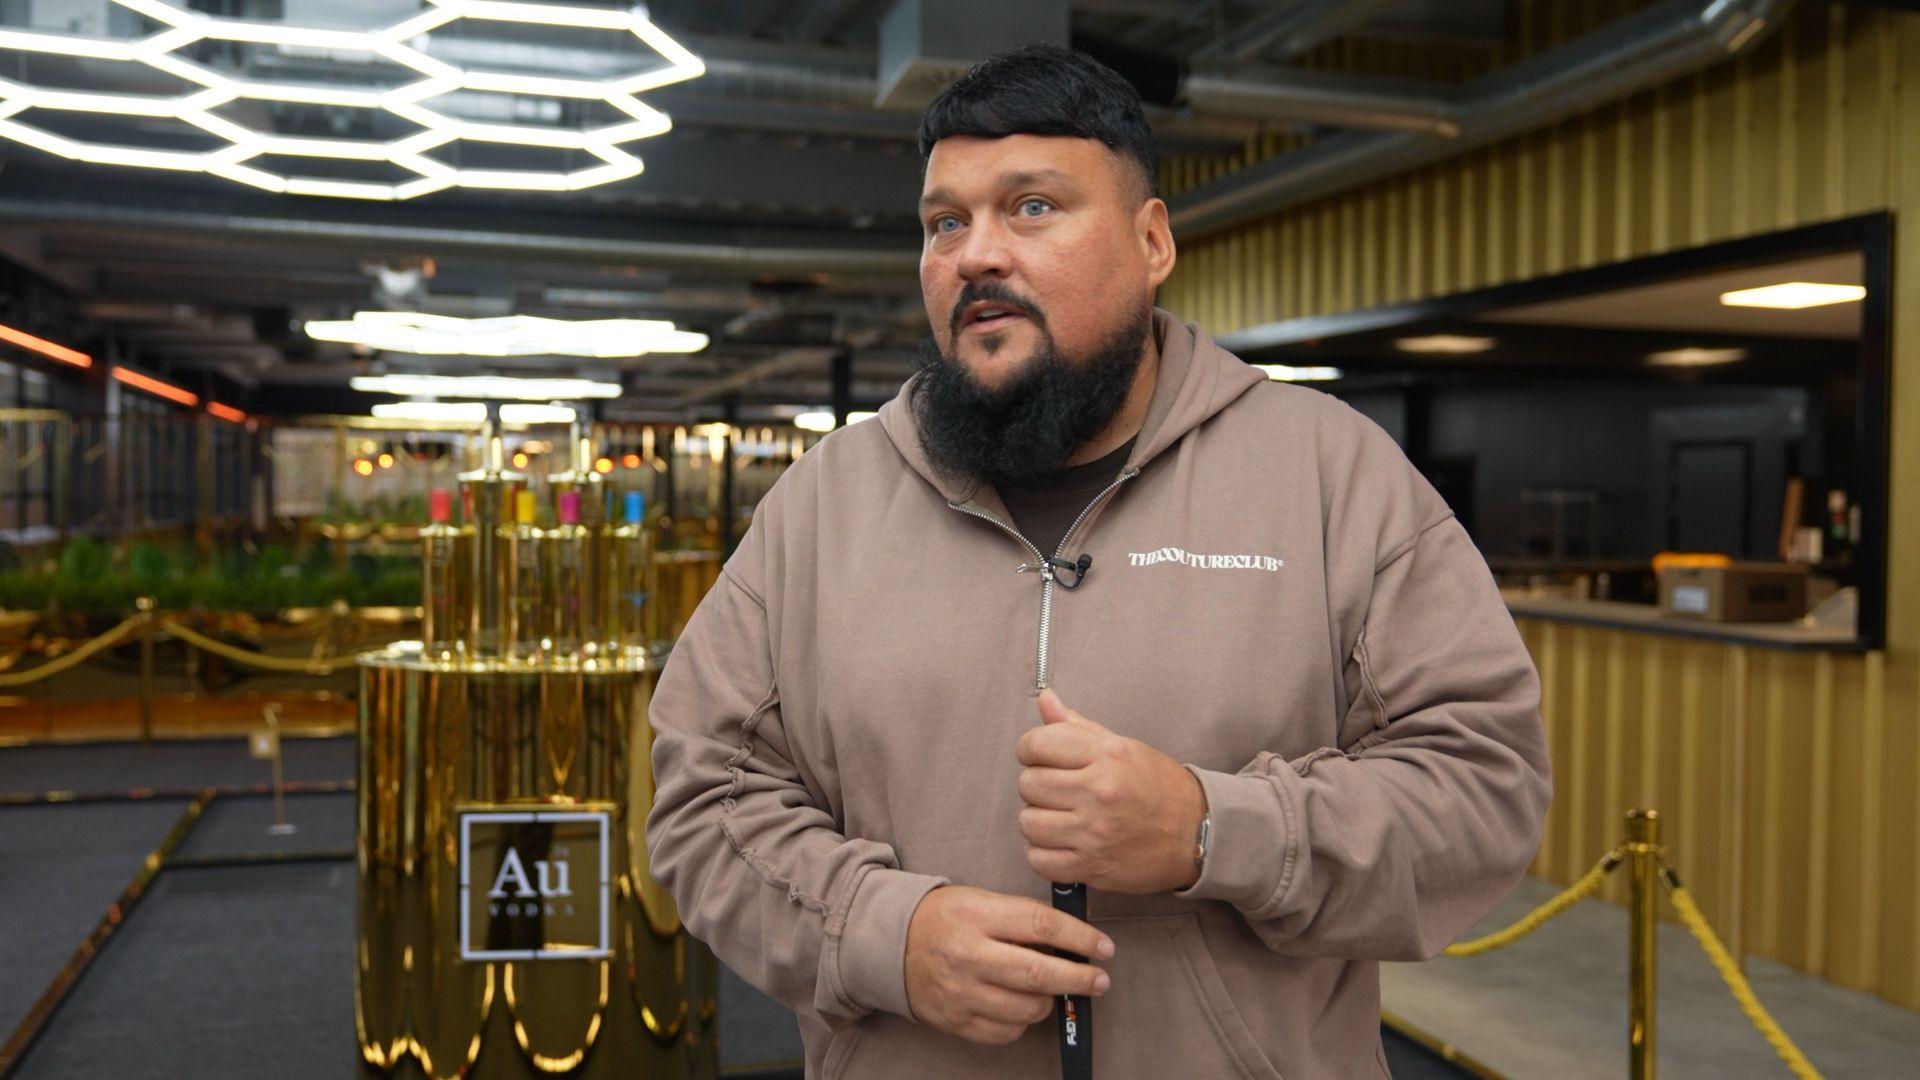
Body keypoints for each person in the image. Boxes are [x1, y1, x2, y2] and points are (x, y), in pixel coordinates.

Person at [646, 43, 1551, 1079]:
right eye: (946, 222)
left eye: (1032, 207)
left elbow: (1484, 791)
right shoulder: (825, 505)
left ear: (1151, 239)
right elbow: (705, 796)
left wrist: (1215, 830)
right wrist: (884, 933)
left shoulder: (1328, 475)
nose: (977, 254)